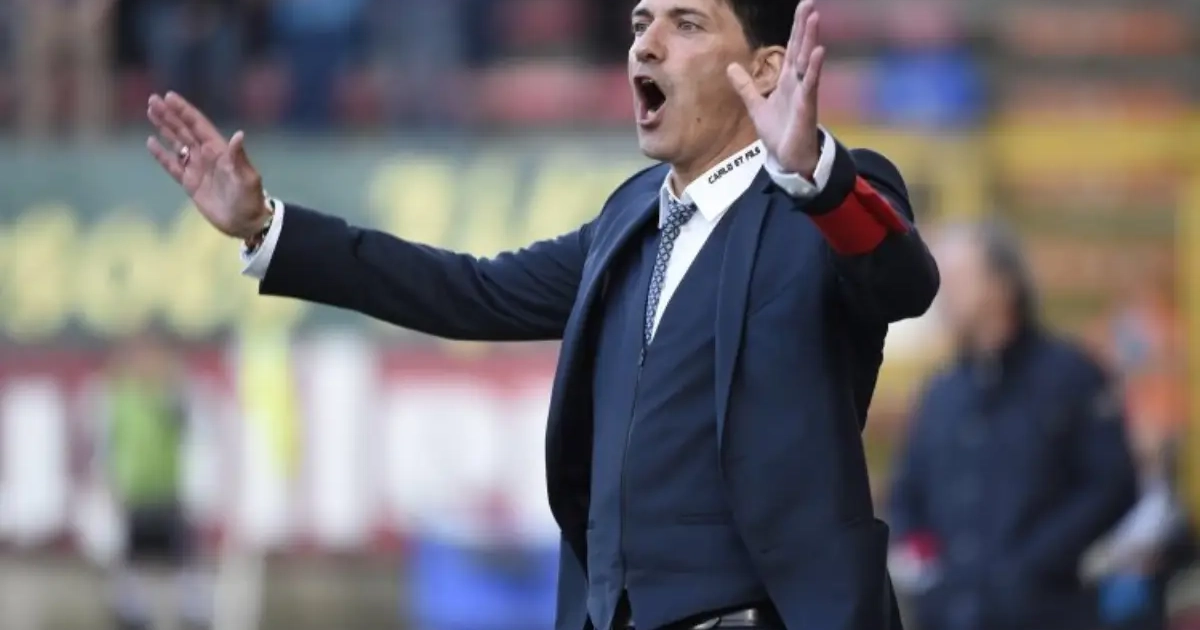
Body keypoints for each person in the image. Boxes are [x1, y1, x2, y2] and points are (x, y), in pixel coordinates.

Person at [144, 0, 940, 628]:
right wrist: (266, 226)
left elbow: (904, 284)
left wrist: (814, 177)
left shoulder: (825, 199)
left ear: (764, 69)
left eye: (686, 24)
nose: (646, 44)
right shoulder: (630, 217)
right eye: (641, 23)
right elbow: (467, 290)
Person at [886, 220, 1138, 630]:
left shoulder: (1072, 376)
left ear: (1002, 285)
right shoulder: (941, 392)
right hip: (948, 616)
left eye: (955, 279)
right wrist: (929, 571)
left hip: (1047, 614)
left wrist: (1032, 565)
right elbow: (907, 494)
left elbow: (1111, 485)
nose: (942, 295)